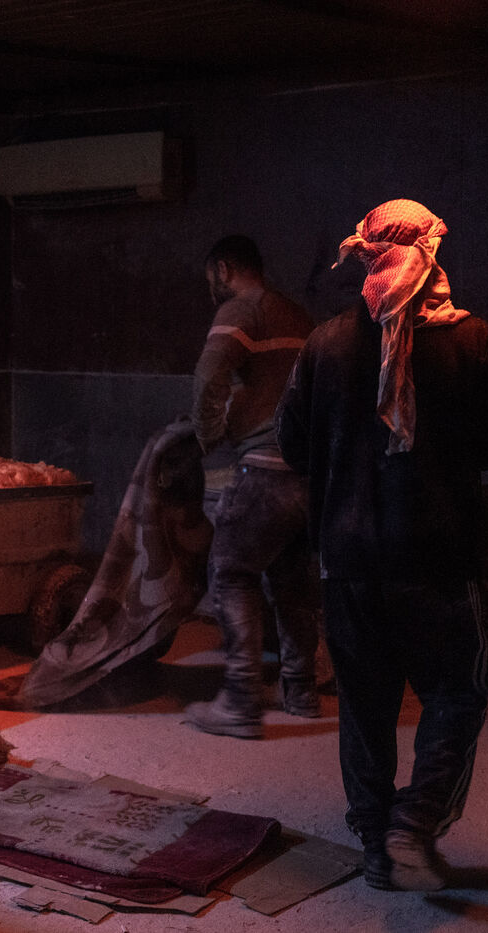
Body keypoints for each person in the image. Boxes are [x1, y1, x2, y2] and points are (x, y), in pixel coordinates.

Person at [276, 199, 488, 892]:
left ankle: (376, 843)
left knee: (364, 704)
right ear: (430, 253)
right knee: (461, 689)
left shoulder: (324, 344)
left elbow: (292, 444)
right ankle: (412, 823)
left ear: (366, 255)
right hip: (438, 560)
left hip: (347, 561)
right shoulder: (472, 340)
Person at [182, 235, 321, 740]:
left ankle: (240, 701)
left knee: (231, 573)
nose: (211, 288)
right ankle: (300, 690)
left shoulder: (242, 310)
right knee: (293, 585)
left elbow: (209, 375)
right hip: (309, 478)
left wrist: (207, 434)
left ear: (223, 269)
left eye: (211, 278)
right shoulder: (300, 317)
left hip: (263, 471)